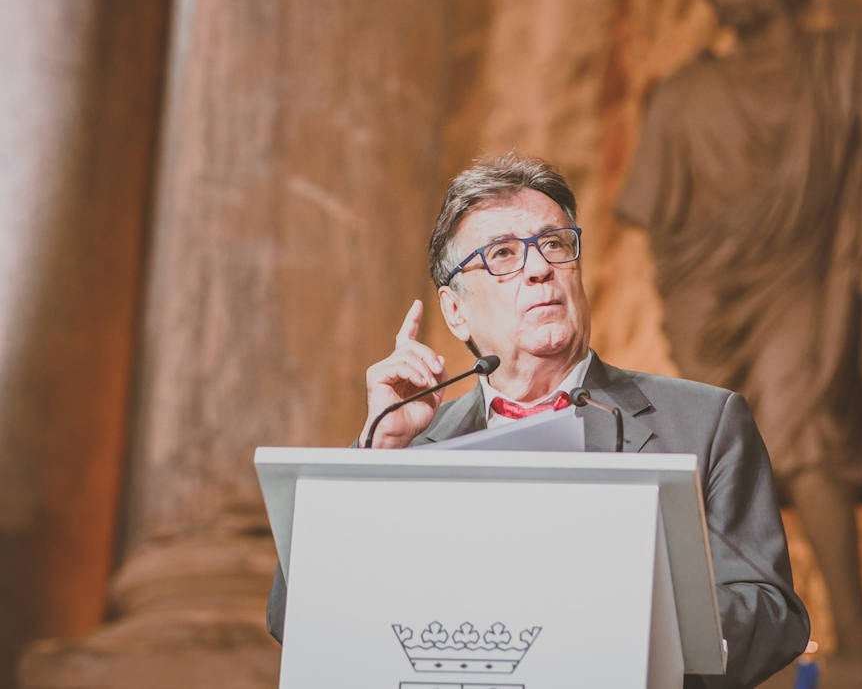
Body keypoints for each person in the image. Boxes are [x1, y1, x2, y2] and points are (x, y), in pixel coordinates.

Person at [267, 153, 809, 689]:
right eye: (502, 254)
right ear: (455, 310)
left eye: (555, 244)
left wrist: (618, 619)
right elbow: (294, 619)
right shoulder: (408, 443)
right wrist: (375, 457)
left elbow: (769, 613)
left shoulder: (704, 422)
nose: (539, 267)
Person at [616, 0, 862, 656]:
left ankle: (856, 635)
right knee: (718, 450)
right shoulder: (684, 97)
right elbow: (662, 220)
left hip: (805, 277)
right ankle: (727, 631)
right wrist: (693, 287)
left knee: (802, 425)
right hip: (709, 297)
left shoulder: (844, 67)